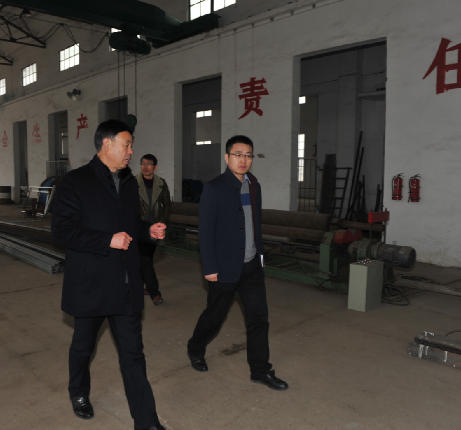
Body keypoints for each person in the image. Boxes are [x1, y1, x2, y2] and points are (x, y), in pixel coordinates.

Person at [51, 120, 167, 430]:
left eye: (131, 145)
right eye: (126, 145)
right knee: (83, 347)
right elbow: (61, 231)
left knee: (133, 355)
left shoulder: (128, 182)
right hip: (92, 284)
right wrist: (106, 240)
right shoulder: (76, 181)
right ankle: (78, 392)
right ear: (107, 144)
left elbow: (130, 225)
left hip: (126, 284)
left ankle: (147, 421)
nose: (131, 152)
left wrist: (148, 231)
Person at [186, 135, 288, 391]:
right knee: (214, 317)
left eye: (248, 155)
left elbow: (255, 224)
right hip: (224, 268)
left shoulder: (254, 186)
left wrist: (260, 258)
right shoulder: (214, 188)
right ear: (227, 157)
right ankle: (195, 348)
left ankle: (260, 371)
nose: (243, 160)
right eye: (238, 154)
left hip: (252, 265)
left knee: (259, 320)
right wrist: (210, 268)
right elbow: (205, 231)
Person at [136, 154, 171, 305]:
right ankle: (154, 292)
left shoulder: (161, 184)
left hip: (154, 229)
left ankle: (139, 286)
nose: (145, 166)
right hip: (139, 227)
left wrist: (163, 223)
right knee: (145, 259)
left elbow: (167, 205)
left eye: (149, 164)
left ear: (155, 167)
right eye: (143, 163)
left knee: (144, 259)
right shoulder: (133, 183)